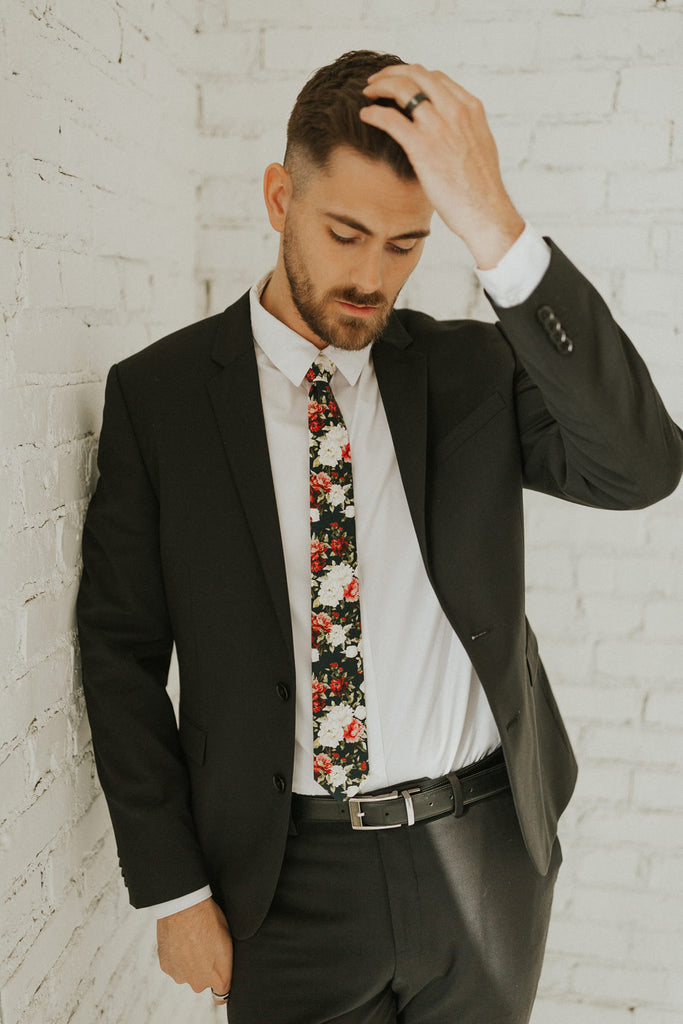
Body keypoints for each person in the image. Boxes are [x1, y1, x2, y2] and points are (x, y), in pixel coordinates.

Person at [76, 50, 683, 1023]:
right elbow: (120, 650)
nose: (370, 276)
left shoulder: (469, 370)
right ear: (279, 196)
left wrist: (493, 224)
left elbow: (639, 466)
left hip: (483, 850)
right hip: (282, 877)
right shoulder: (162, 399)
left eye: (405, 244)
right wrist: (173, 887)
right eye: (344, 231)